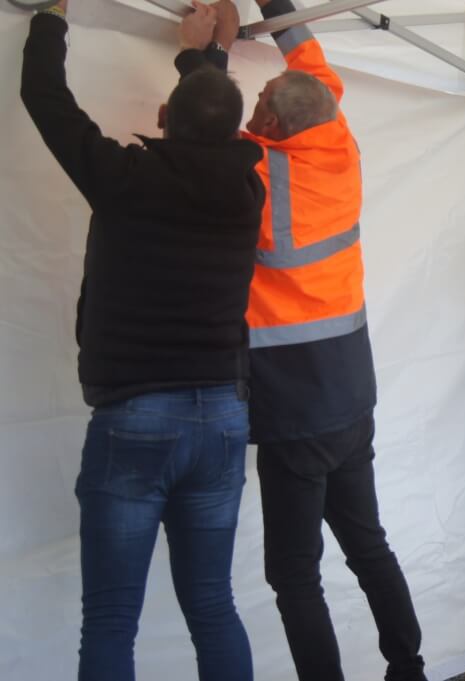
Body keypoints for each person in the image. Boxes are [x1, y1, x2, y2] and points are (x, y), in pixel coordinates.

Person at [174, 2, 427, 680]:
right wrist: (273, 6)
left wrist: (205, 54)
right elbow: (310, 63)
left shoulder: (255, 176)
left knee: (294, 573)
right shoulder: (335, 135)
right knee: (368, 544)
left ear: (272, 125)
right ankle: (409, 668)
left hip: (294, 408)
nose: (252, 104)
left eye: (259, 102)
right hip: (351, 394)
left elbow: (201, 133)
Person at [21, 2, 264, 680]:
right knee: (213, 605)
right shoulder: (247, 194)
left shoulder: (125, 179)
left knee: (110, 620)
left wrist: (50, 16)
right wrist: (204, 57)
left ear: (162, 119)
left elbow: (46, 98)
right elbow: (209, 128)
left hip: (135, 417)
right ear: (233, 132)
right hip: (222, 417)